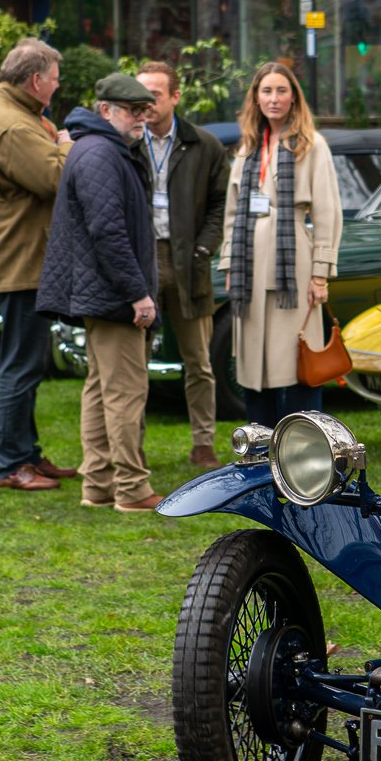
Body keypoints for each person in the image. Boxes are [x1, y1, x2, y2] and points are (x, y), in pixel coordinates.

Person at [40, 74, 163, 513]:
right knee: (125, 392)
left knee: (100, 389)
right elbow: (107, 232)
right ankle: (131, 489)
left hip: (102, 293)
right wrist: (138, 294)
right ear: (105, 110)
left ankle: (98, 485)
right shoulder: (100, 154)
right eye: (132, 112)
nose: (140, 120)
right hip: (113, 296)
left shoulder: (98, 148)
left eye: (145, 112)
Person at [0, 38, 79, 491]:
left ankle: (27, 455)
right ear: (36, 81)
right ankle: (13, 464)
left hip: (22, 259)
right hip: (22, 264)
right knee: (21, 365)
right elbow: (55, 176)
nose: (57, 88)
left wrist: (54, 141)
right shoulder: (13, 127)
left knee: (27, 362)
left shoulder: (14, 114)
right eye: (54, 80)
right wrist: (68, 144)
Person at [220, 61, 342, 425]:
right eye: (267, 91)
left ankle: (306, 451)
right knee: (256, 368)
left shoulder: (312, 145)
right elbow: (231, 213)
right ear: (256, 98)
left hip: (295, 268)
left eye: (281, 91)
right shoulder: (247, 148)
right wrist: (229, 264)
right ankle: (262, 448)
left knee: (299, 363)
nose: (274, 98)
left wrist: (320, 273)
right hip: (249, 270)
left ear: (294, 98)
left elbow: (328, 212)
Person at [135, 59, 229, 468]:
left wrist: (204, 249)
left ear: (175, 96)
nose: (147, 103)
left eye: (155, 94)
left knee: (199, 361)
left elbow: (220, 203)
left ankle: (203, 443)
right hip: (141, 261)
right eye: (141, 95)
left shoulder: (203, 144)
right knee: (133, 362)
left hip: (189, 260)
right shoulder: (127, 143)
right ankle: (131, 445)